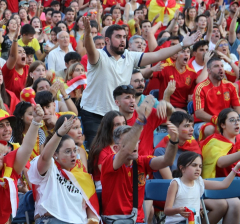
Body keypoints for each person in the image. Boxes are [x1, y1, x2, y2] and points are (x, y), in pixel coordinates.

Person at [80, 17, 201, 148]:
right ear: (107, 40)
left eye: (124, 37)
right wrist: (87, 35)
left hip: (118, 114)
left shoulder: (129, 56)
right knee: (97, 153)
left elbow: (157, 55)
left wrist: (182, 45)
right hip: (93, 113)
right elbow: (90, 50)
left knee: (119, 152)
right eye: (118, 37)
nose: (122, 40)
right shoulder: (98, 55)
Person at [100, 96, 178, 224]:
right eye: (129, 142)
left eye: (136, 141)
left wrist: (173, 141)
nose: (134, 145)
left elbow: (167, 161)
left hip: (138, 220)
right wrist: (141, 119)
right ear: (115, 148)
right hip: (115, 221)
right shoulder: (109, 161)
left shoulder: (142, 161)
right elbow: (125, 151)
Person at [28, 115, 100, 224]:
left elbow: (92, 211)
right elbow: (45, 157)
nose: (73, 155)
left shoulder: (83, 178)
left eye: (75, 150)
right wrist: (59, 133)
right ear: (55, 154)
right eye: (67, 151)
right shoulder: (50, 168)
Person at [164, 152, 240, 224]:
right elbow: (167, 210)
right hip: (177, 222)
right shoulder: (176, 184)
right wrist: (178, 210)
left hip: (194, 221)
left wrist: (236, 167)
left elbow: (224, 184)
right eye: (194, 165)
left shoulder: (199, 181)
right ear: (182, 168)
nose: (198, 169)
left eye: (200, 166)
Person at [113, 85, 173, 155]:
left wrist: (166, 104)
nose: (132, 101)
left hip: (147, 163)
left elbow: (171, 117)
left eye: (133, 97)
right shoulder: (114, 122)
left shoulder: (147, 113)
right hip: (124, 163)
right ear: (117, 102)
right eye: (127, 98)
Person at [193, 57, 240, 140]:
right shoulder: (201, 87)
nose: (221, 69)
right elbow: (199, 113)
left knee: (238, 129)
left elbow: (238, 108)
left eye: (222, 66)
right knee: (211, 129)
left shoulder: (230, 86)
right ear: (208, 70)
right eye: (216, 66)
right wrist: (216, 120)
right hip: (204, 122)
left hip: (225, 121)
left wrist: (231, 120)